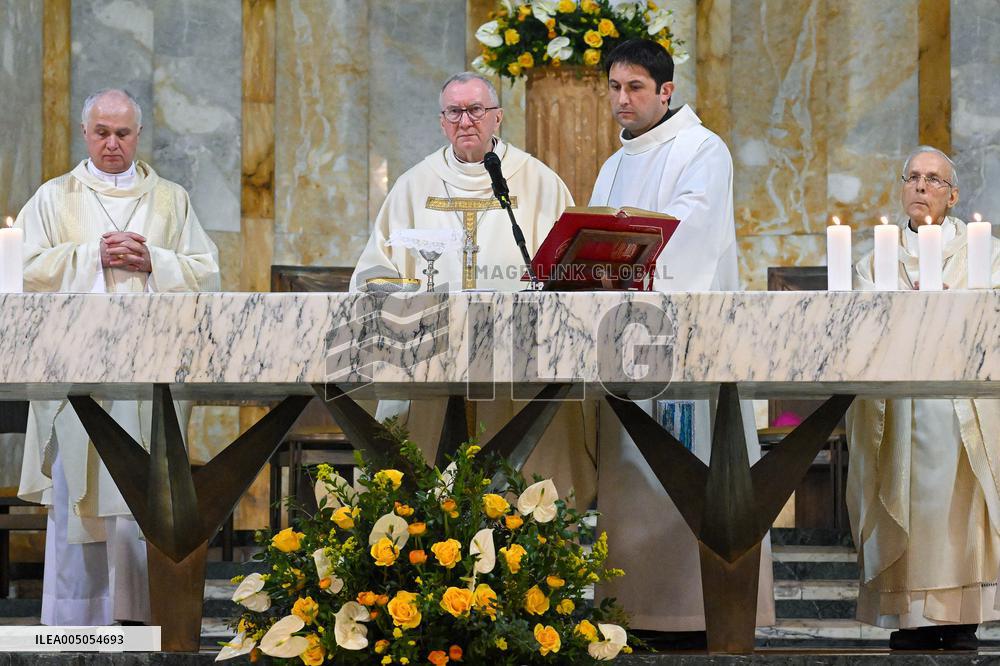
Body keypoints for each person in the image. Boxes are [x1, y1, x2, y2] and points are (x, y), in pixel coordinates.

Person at [589, 39, 774, 644]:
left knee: (686, 477)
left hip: (685, 347)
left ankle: (695, 618)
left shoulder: (702, 149)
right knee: (632, 483)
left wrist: (616, 266)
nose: (622, 100)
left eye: (635, 88)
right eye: (615, 87)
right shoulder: (613, 165)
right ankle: (634, 614)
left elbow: (689, 238)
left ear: (667, 91)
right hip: (624, 346)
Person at [16, 88, 220, 625]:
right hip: (77, 376)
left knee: (140, 504)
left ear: (138, 135)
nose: (112, 143)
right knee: (76, 506)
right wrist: (91, 256)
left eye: (122, 133)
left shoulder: (172, 200)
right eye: (101, 132)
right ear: (85, 133)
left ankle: (139, 629)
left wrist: (155, 261)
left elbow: (207, 274)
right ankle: (74, 636)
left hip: (149, 377)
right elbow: (24, 273)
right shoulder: (52, 198)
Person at [351, 72, 596, 507]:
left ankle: (528, 546)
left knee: (529, 462)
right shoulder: (413, 186)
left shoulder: (538, 182)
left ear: (497, 117)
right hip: (431, 356)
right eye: (454, 112)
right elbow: (374, 271)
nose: (466, 121)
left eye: (476, 110)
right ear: (442, 122)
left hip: (519, 359)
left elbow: (570, 272)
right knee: (420, 484)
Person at [848, 146, 1000, 650]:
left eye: (933, 179)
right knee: (905, 507)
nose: (920, 186)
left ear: (953, 196)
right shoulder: (876, 259)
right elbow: (863, 327)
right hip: (902, 407)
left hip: (960, 408)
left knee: (959, 514)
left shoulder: (985, 252)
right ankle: (909, 618)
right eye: (912, 177)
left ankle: (962, 620)